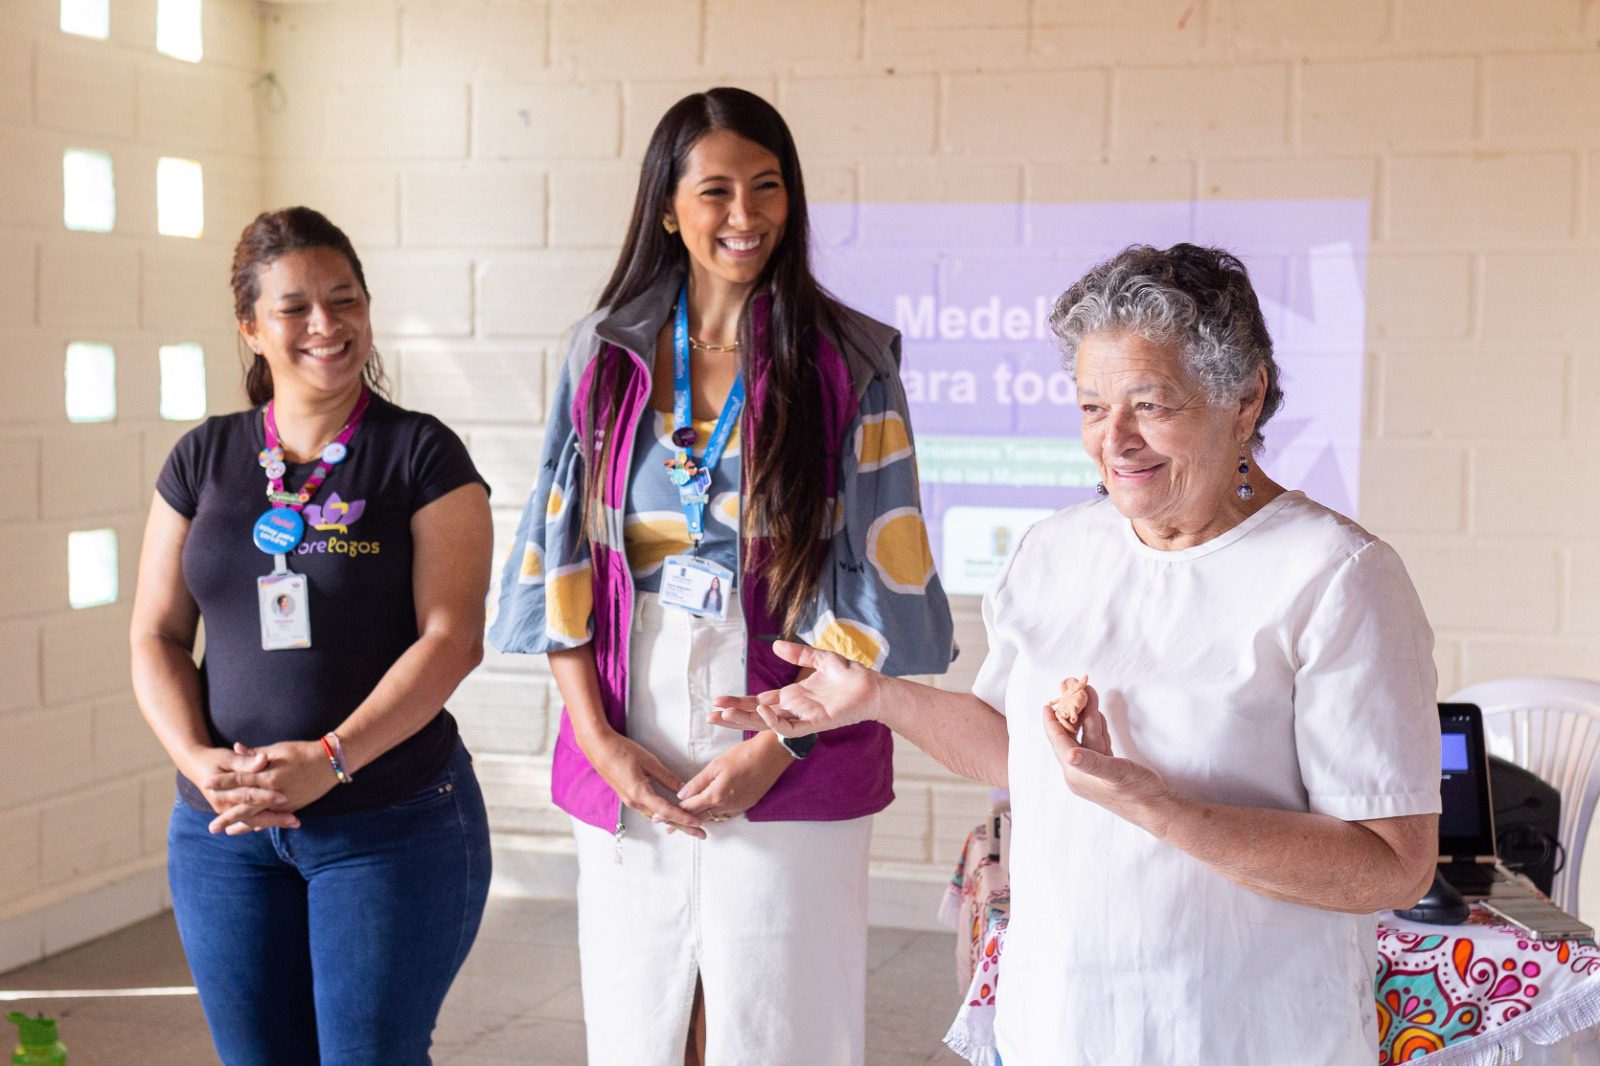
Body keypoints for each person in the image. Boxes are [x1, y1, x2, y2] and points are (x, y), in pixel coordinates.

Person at [713, 244, 1441, 1064]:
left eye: (1151, 404)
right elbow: (1022, 749)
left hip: (1241, 1033)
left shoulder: (1337, 578)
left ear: (1245, 398)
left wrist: (1163, 811)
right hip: (1061, 1022)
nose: (1115, 440)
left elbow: (1392, 866)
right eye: (1093, 406)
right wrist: (879, 698)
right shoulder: (1055, 550)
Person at [489, 87, 953, 1066]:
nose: (745, 216)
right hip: (629, 730)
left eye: (767, 187)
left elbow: (884, 582)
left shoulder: (849, 360)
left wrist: (778, 744)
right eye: (715, 192)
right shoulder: (606, 354)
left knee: (779, 1024)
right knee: (642, 1017)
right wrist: (597, 737)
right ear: (667, 205)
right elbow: (558, 558)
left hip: (797, 731)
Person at [129, 207, 494, 1066]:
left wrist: (329, 757)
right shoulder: (203, 459)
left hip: (388, 823)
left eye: (345, 300)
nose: (326, 325)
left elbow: (452, 637)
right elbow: (154, 633)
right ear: (251, 328)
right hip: (227, 831)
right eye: (294, 308)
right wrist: (194, 757)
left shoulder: (422, 454)